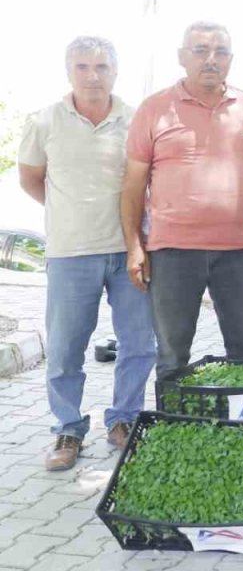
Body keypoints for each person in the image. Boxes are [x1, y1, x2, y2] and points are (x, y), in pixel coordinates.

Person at [19, 37, 156, 471]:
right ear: (68, 71)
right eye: (82, 66)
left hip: (129, 250)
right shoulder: (44, 122)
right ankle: (68, 427)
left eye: (101, 66)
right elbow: (31, 180)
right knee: (64, 349)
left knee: (139, 344)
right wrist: (71, 212)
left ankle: (124, 419)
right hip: (70, 254)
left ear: (115, 71)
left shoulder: (135, 119)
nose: (92, 74)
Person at [121, 21, 243, 381]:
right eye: (201, 51)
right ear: (182, 57)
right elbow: (133, 185)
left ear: (230, 59)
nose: (211, 59)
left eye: (220, 52)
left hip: (239, 252)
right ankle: (173, 431)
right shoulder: (154, 109)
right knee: (173, 355)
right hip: (173, 252)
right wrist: (134, 246)